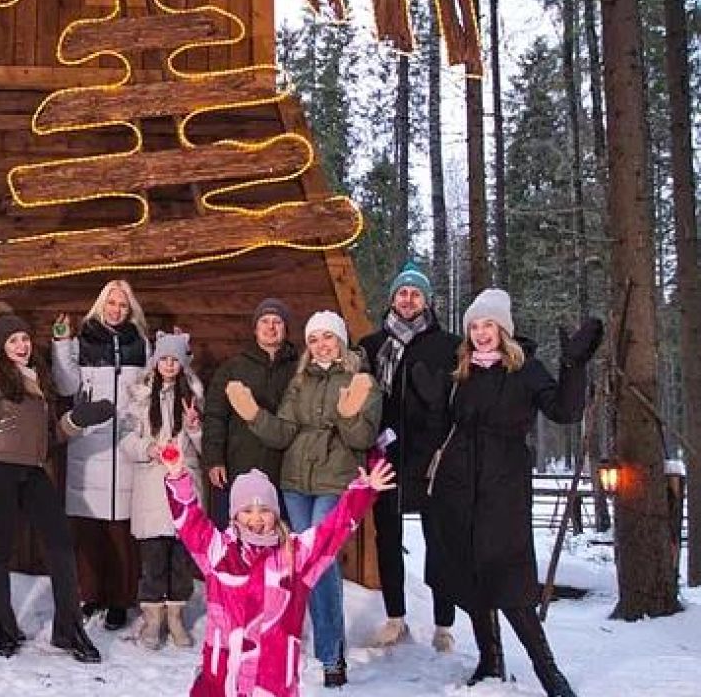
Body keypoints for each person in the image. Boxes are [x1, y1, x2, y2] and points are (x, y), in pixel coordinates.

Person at [424, 288, 601, 697]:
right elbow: (444, 427)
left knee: (510, 581)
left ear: (503, 329)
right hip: (457, 489)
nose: (481, 333)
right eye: (474, 326)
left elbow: (566, 412)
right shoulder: (461, 372)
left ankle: (548, 673)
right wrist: (430, 404)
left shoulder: (526, 370)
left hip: (503, 489)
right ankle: (490, 660)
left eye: (488, 324)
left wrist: (573, 366)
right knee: (470, 575)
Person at [226, 310, 381, 688]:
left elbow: (362, 438)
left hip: (336, 478)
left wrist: (347, 414)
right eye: (314, 339)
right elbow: (282, 433)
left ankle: (331, 654)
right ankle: (308, 641)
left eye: (327, 337)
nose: (321, 345)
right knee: (304, 561)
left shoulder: (361, 381)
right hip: (295, 481)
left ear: (340, 340)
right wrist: (253, 415)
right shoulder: (300, 381)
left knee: (320, 559)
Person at [0, 313, 103, 663]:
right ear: (2, 346)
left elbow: (49, 436)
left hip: (34, 470)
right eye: (13, 340)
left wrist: (76, 421)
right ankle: (2, 628)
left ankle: (69, 629)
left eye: (25, 338)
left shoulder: (40, 376)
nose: (22, 345)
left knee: (60, 545)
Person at [163, 448, 396, 697]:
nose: (256, 519)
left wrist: (363, 492)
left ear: (275, 514)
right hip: (222, 683)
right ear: (234, 515)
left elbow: (331, 531)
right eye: (247, 510)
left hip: (272, 684)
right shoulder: (218, 552)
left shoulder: (294, 556)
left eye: (264, 510)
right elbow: (190, 522)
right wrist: (177, 477)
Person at [357, 262, 459, 651]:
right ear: (392, 299)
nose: (408, 299)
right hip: (387, 457)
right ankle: (395, 617)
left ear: (426, 301)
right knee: (387, 539)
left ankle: (444, 624)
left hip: (433, 460)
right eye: (403, 292)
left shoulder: (448, 346)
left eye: (416, 293)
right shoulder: (371, 346)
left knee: (441, 542)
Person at [51, 279, 149, 630]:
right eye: (111, 303)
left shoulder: (141, 344)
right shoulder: (84, 341)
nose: (116, 310)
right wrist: (62, 345)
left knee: (122, 529)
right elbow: (66, 385)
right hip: (90, 445)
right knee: (89, 527)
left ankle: (120, 599)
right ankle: (89, 594)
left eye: (123, 305)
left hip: (125, 444)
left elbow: (149, 387)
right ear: (101, 304)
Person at [119, 332, 204, 649]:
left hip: (184, 484)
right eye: (164, 359)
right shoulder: (139, 397)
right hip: (152, 485)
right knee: (153, 559)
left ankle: (176, 617)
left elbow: (205, 446)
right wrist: (149, 448)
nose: (169, 365)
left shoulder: (193, 396)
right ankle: (153, 618)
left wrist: (194, 426)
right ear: (155, 362)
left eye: (175, 360)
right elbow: (125, 438)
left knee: (180, 560)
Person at [202, 299, 300, 526]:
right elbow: (215, 416)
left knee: (279, 530)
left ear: (286, 329)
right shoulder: (232, 368)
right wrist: (214, 459)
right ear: (255, 329)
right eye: (264, 321)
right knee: (232, 530)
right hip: (237, 464)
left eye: (277, 322)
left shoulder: (298, 370)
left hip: (282, 469)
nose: (270, 327)